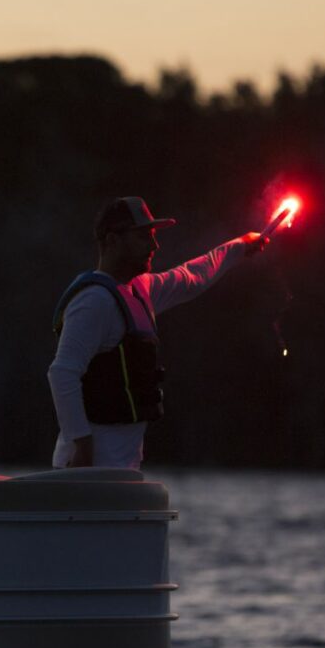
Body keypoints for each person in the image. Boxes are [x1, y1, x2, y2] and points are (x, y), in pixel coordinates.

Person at [48, 196, 267, 469]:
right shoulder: (93, 302)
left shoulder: (143, 289)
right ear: (113, 241)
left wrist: (240, 246)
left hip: (120, 470)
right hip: (86, 468)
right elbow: (62, 373)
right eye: (143, 236)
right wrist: (82, 445)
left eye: (153, 236)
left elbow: (193, 276)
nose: (154, 245)